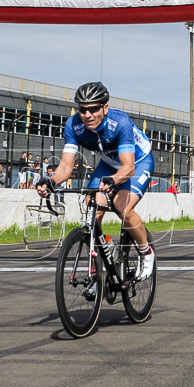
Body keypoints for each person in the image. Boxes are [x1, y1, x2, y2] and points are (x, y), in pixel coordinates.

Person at [37, 82, 156, 281]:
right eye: (83, 110)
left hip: (137, 162)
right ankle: (96, 269)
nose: (88, 115)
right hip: (109, 163)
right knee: (92, 207)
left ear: (105, 108)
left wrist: (115, 181)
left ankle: (146, 253)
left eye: (93, 109)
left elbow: (127, 168)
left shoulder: (120, 123)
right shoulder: (73, 125)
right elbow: (65, 167)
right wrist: (51, 182)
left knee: (123, 208)